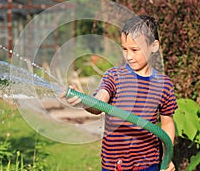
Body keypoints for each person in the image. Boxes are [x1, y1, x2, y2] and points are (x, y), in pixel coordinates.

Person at [61, 15, 177, 171]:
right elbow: (99, 103)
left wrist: (167, 157)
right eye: (124, 49)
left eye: (135, 50)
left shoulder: (163, 84)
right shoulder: (114, 77)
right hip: (115, 164)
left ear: (154, 47)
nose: (129, 56)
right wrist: (83, 101)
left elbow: (167, 122)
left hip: (148, 163)